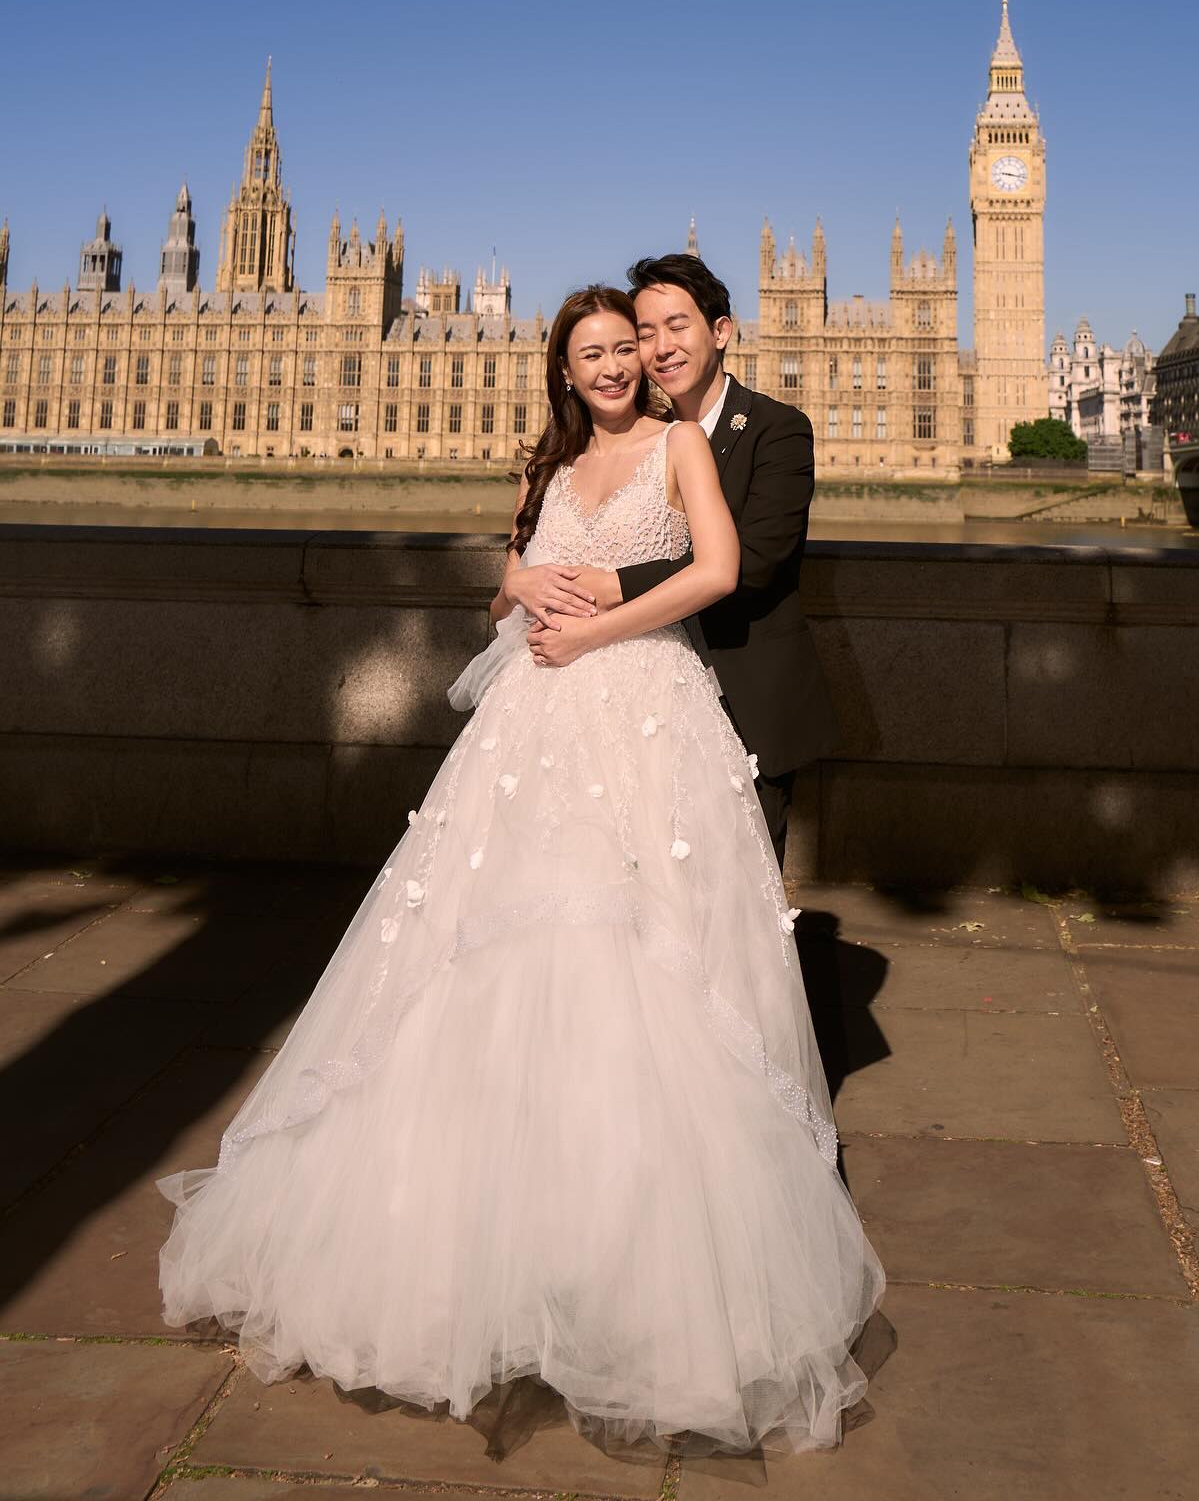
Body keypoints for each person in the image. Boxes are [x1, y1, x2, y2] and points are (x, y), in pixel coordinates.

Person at [155, 285, 883, 1458]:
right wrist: (525, 588)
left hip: (644, 722)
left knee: (638, 958)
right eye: (591, 351)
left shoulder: (684, 444)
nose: (613, 365)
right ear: (562, 369)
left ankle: (628, 1254)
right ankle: (487, 1243)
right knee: (479, 959)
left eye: (625, 350)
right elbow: (502, 587)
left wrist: (595, 621)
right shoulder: (545, 469)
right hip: (531, 737)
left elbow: (720, 566)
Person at [523, 252, 836, 866]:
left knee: (739, 904)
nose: (661, 347)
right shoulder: (631, 436)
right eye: (645, 334)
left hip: (742, 697)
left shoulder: (777, 429)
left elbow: (753, 563)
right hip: (631, 705)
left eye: (678, 326)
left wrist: (615, 584)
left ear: (721, 332)